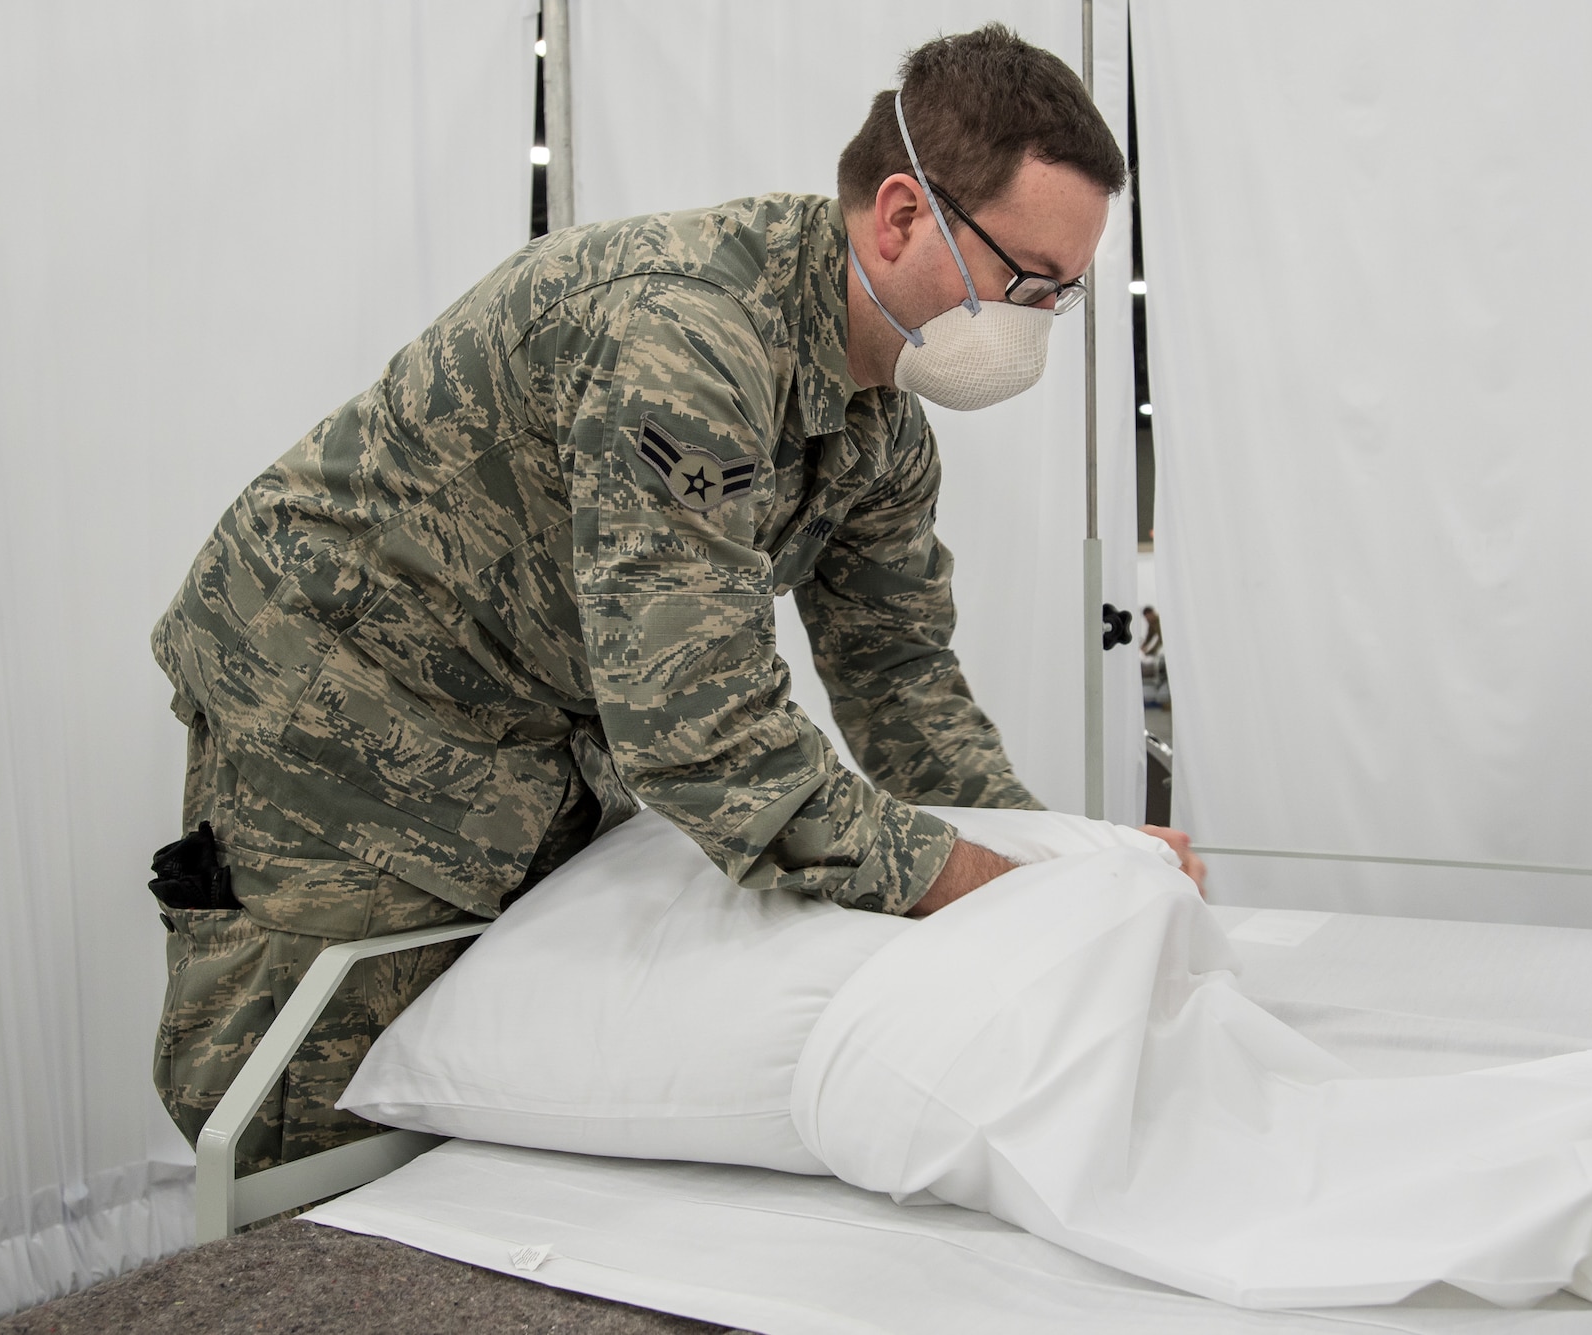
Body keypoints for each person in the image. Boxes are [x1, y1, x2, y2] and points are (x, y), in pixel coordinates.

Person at [147, 23, 1205, 1174]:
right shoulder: (684, 340)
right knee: (319, 1126)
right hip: (339, 711)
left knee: (484, 1095)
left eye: (1067, 294)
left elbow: (900, 680)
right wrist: (974, 884)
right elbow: (699, 732)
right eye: (1027, 282)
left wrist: (1050, 858)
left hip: (531, 727)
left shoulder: (878, 425)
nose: (1039, 320)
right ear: (903, 216)